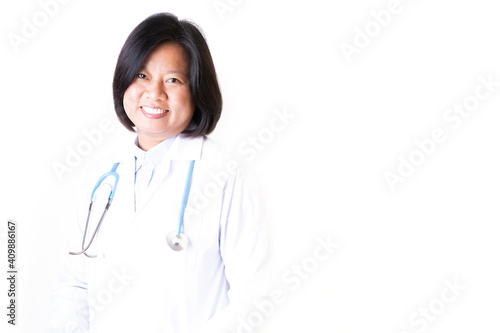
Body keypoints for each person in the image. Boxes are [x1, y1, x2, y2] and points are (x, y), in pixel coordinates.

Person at [49, 12, 268, 333]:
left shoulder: (225, 173)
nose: (155, 93)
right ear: (123, 81)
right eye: (141, 75)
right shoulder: (100, 178)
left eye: (173, 80)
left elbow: (255, 296)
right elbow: (75, 286)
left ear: (196, 90)